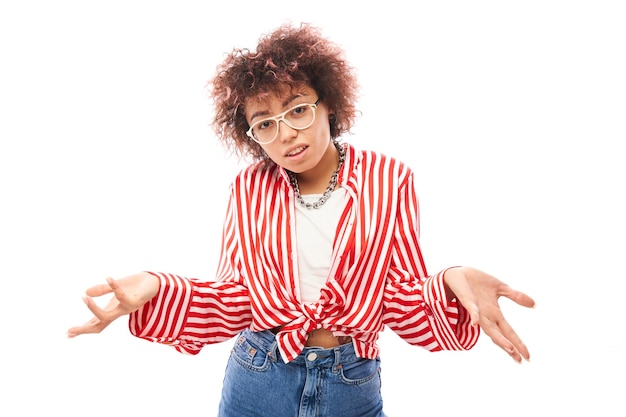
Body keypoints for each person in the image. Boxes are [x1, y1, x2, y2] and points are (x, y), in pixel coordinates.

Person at [67, 22, 535, 417]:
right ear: (252, 136)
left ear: (328, 103)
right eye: (265, 122)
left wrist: (449, 279)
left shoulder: (390, 179)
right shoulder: (248, 188)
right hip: (257, 378)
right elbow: (234, 299)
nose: (286, 132)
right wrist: (157, 286)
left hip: (351, 385)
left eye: (298, 108)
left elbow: (399, 297)